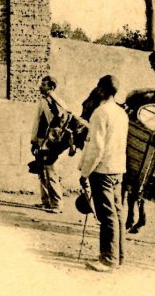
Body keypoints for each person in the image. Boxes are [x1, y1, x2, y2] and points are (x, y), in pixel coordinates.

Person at [79, 74, 128, 272]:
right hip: (118, 170)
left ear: (101, 90)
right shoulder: (121, 113)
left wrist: (84, 172)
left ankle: (108, 259)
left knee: (107, 216)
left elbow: (96, 148)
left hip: (102, 171)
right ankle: (119, 256)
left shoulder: (100, 113)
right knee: (117, 214)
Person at [30, 75, 67, 212]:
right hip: (40, 140)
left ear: (51, 87)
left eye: (44, 85)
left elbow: (58, 120)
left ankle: (57, 204)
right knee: (41, 171)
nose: (40, 87)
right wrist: (34, 141)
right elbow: (38, 123)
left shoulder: (55, 102)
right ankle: (46, 202)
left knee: (51, 172)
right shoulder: (44, 101)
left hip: (49, 142)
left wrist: (49, 142)